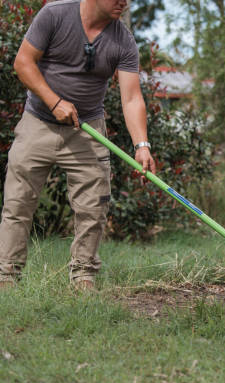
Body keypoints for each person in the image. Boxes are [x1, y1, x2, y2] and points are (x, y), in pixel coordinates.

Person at [0, 0, 156, 290]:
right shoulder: (55, 15)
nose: (124, 2)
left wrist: (142, 144)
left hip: (88, 130)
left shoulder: (123, 40)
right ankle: (7, 278)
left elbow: (132, 98)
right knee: (17, 204)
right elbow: (23, 63)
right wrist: (54, 101)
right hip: (39, 123)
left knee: (93, 207)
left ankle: (84, 275)